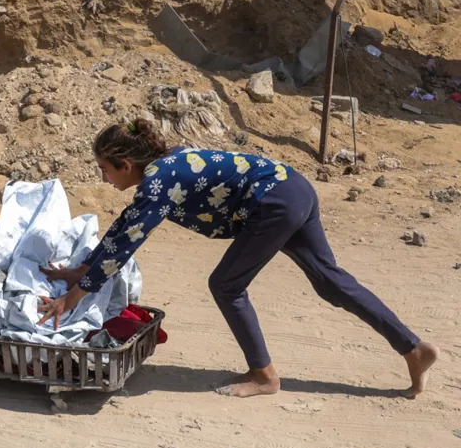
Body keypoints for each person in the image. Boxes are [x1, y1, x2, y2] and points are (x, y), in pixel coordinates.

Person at [38, 119, 438, 397]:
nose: (105, 179)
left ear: (126, 164)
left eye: (105, 169)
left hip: (272, 205)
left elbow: (128, 242)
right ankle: (413, 348)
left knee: (226, 285)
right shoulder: (164, 167)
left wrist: (75, 294)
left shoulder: (158, 182)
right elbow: (126, 225)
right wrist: (85, 268)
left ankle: (264, 376)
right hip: (293, 188)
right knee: (330, 281)